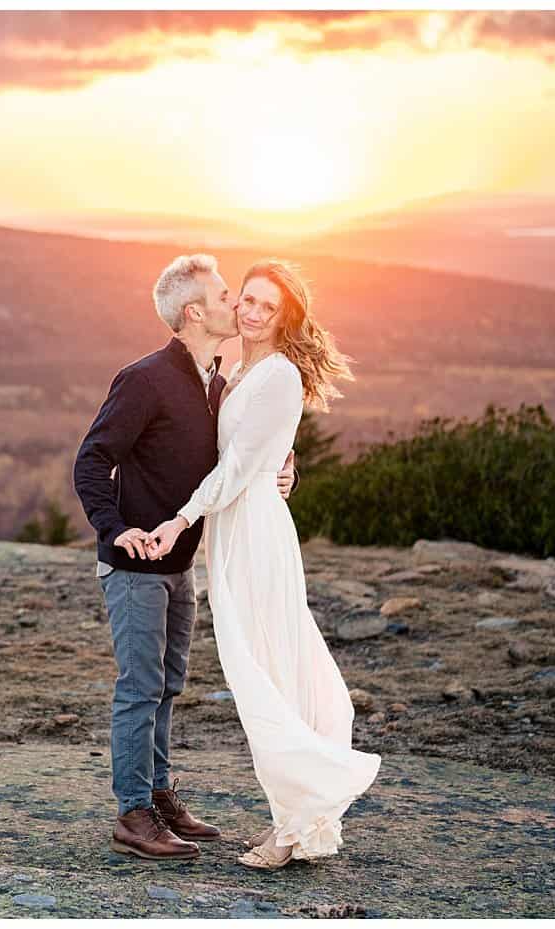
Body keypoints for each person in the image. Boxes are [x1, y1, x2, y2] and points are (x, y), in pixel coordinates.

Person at [143, 258, 381, 869]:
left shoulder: (277, 374)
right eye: (245, 300)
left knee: (264, 678)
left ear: (285, 318)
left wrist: (181, 517)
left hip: (254, 534)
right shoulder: (237, 367)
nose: (249, 312)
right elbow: (255, 447)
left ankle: (292, 829)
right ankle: (297, 816)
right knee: (261, 676)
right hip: (236, 531)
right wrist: (287, 459)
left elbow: (238, 466)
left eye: (264, 307)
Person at [72, 254, 297, 861]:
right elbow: (92, 461)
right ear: (196, 312)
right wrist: (115, 529)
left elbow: (242, 453)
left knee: (168, 685)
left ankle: (162, 795)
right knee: (140, 688)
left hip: (180, 565)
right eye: (227, 296)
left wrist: (286, 467)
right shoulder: (143, 379)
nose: (237, 305)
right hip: (136, 565)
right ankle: (133, 814)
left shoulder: (215, 382)